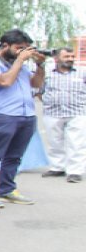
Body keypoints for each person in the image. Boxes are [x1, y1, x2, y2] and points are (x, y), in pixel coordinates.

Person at [0, 29, 45, 208]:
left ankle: (7, 189)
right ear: (5, 46)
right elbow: (5, 81)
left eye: (25, 49)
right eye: (19, 48)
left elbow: (36, 84)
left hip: (26, 115)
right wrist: (20, 61)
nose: (22, 52)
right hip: (2, 115)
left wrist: (40, 66)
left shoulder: (20, 64)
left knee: (14, 157)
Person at [40, 47, 85, 183]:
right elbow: (38, 90)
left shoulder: (82, 73)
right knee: (54, 141)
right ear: (56, 59)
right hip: (53, 113)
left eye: (72, 56)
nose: (70, 59)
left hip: (77, 113)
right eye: (66, 57)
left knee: (76, 143)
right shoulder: (47, 74)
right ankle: (57, 167)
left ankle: (75, 171)